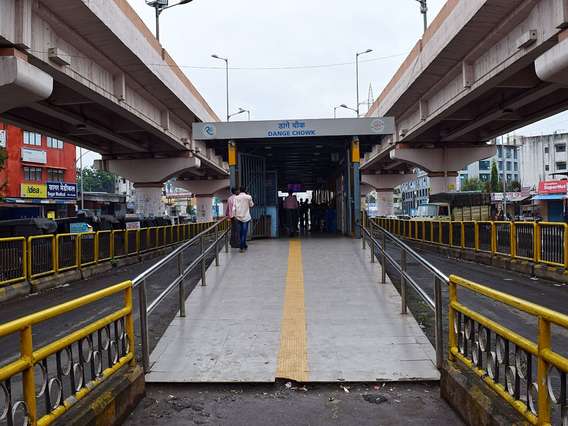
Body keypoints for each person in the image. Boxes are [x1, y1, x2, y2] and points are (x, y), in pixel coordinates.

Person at [233, 186, 254, 252]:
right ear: (245, 190)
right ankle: (242, 246)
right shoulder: (248, 197)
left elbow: (234, 208)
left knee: (240, 232)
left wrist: (234, 216)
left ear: (239, 190)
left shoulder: (236, 197)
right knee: (244, 232)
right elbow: (251, 205)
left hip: (238, 217)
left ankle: (244, 244)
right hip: (246, 217)